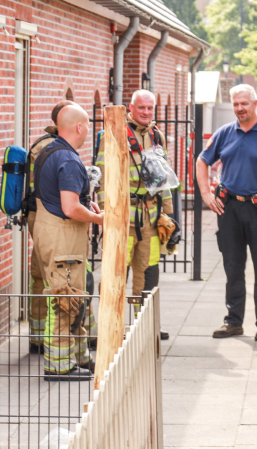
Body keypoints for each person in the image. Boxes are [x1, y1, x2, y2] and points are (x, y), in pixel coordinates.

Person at [196, 84, 257, 341]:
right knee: (232, 266)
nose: (239, 109)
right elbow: (202, 161)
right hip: (230, 208)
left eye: (244, 104)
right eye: (235, 104)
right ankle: (233, 321)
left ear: (254, 103)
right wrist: (205, 194)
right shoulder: (225, 133)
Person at [95, 89, 176, 340]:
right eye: (141, 108)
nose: (146, 112)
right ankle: (111, 327)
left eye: (150, 108)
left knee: (149, 271)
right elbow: (102, 174)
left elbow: (162, 176)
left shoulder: (155, 135)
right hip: (122, 220)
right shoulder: (113, 132)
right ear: (131, 107)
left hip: (151, 220)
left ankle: (145, 326)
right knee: (116, 273)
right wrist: (106, 217)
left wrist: (169, 214)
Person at [33, 103, 104, 381]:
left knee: (72, 298)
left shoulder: (48, 151)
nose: (87, 129)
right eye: (87, 124)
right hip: (64, 241)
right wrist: (102, 220)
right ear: (79, 127)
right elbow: (71, 208)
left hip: (49, 232)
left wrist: (90, 208)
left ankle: (80, 357)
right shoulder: (70, 161)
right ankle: (59, 367)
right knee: (66, 301)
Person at [26, 100, 73, 355]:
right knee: (59, 278)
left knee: (40, 275)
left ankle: (38, 336)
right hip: (52, 219)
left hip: (38, 216)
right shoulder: (55, 149)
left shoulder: (41, 145)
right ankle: (60, 340)